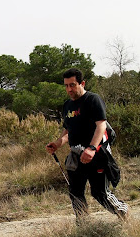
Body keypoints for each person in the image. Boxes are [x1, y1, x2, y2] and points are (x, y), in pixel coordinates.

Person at [46, 68, 128, 222]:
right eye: (66, 85)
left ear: (82, 83)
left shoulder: (93, 100)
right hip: (76, 156)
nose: (69, 89)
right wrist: (58, 143)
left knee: (100, 193)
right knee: (75, 192)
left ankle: (123, 212)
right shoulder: (67, 105)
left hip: (97, 154)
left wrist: (91, 149)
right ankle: (84, 227)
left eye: (73, 85)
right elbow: (68, 130)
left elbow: (101, 126)